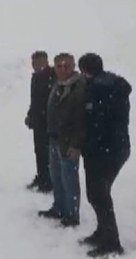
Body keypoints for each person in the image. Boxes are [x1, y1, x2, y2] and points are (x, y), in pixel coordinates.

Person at [78, 53, 131, 257]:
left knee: (99, 195)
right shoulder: (109, 83)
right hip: (114, 149)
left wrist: (91, 147)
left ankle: (111, 242)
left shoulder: (100, 89)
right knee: (97, 194)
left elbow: (99, 125)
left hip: (106, 151)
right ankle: (103, 232)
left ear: (87, 70)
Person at [38, 53, 85, 227]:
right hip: (54, 139)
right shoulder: (57, 85)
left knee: (69, 179)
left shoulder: (79, 87)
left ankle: (72, 215)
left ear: (73, 66)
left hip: (69, 143)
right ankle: (59, 207)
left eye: (67, 66)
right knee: (56, 177)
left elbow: (82, 120)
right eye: (59, 66)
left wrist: (76, 144)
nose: (63, 69)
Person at [25, 51, 55, 193]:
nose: (35, 66)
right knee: (39, 151)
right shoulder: (36, 77)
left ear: (46, 62)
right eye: (33, 63)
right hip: (38, 122)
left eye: (38, 63)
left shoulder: (52, 77)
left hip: (48, 122)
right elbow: (35, 100)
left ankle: (48, 181)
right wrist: (30, 114)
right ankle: (42, 176)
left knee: (47, 153)